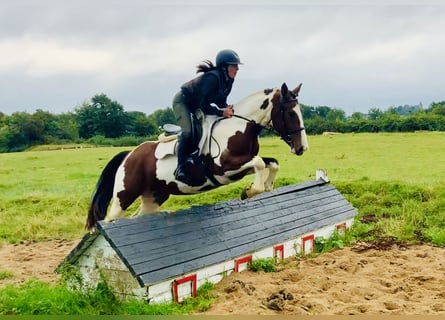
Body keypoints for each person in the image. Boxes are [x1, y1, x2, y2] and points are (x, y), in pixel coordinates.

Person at [172, 49, 242, 184]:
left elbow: (220, 101)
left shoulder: (228, 81)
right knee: (187, 133)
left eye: (237, 66)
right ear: (224, 67)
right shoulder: (213, 78)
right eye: (234, 65)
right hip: (183, 102)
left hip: (196, 103)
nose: (237, 69)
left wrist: (226, 108)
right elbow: (202, 105)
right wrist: (221, 112)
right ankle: (180, 167)